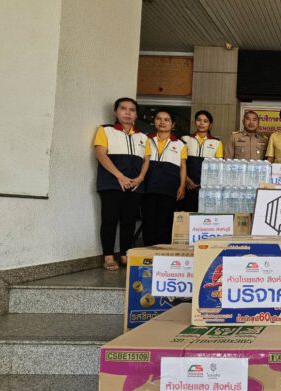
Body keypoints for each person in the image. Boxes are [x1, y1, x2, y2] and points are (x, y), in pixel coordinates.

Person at [94, 97, 149, 270]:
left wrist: (140, 178)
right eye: (123, 109)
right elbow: (101, 154)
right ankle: (109, 256)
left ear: (136, 114)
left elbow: (146, 160)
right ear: (115, 112)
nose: (127, 113)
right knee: (110, 219)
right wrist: (120, 176)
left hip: (135, 184)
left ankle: (125, 254)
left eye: (132, 110)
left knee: (129, 221)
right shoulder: (105, 130)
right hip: (112, 183)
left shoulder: (143, 136)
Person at [142, 109, 187, 246]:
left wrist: (182, 186)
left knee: (165, 221)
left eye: (166, 120)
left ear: (173, 124)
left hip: (169, 187)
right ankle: (148, 250)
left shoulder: (180, 144)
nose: (162, 122)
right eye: (159, 119)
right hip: (149, 186)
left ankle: (163, 250)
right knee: (148, 220)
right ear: (154, 121)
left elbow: (183, 166)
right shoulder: (145, 139)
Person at [179, 110, 223, 212]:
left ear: (210, 125)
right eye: (199, 120)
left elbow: (218, 167)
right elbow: (180, 163)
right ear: (194, 122)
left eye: (205, 121)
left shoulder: (217, 142)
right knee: (186, 214)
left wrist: (205, 183)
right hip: (187, 185)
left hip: (207, 187)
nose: (201, 123)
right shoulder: (185, 139)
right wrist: (186, 179)